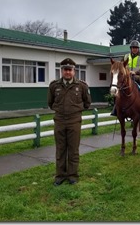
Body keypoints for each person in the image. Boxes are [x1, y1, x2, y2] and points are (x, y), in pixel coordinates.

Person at [47, 58, 92, 186]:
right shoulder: (54, 86)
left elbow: (87, 103)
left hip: (74, 121)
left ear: (74, 71)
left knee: (73, 149)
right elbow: (50, 103)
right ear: (61, 71)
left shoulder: (82, 86)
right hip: (60, 120)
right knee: (60, 149)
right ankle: (60, 175)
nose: (67, 72)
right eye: (65, 70)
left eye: (70, 70)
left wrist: (75, 111)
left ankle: (72, 175)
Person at [111, 40, 140, 117]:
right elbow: (121, 66)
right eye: (133, 47)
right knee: (117, 88)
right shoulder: (126, 56)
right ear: (131, 48)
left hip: (138, 76)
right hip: (127, 77)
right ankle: (115, 108)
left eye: (136, 48)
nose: (135, 49)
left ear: (138, 48)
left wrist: (135, 72)